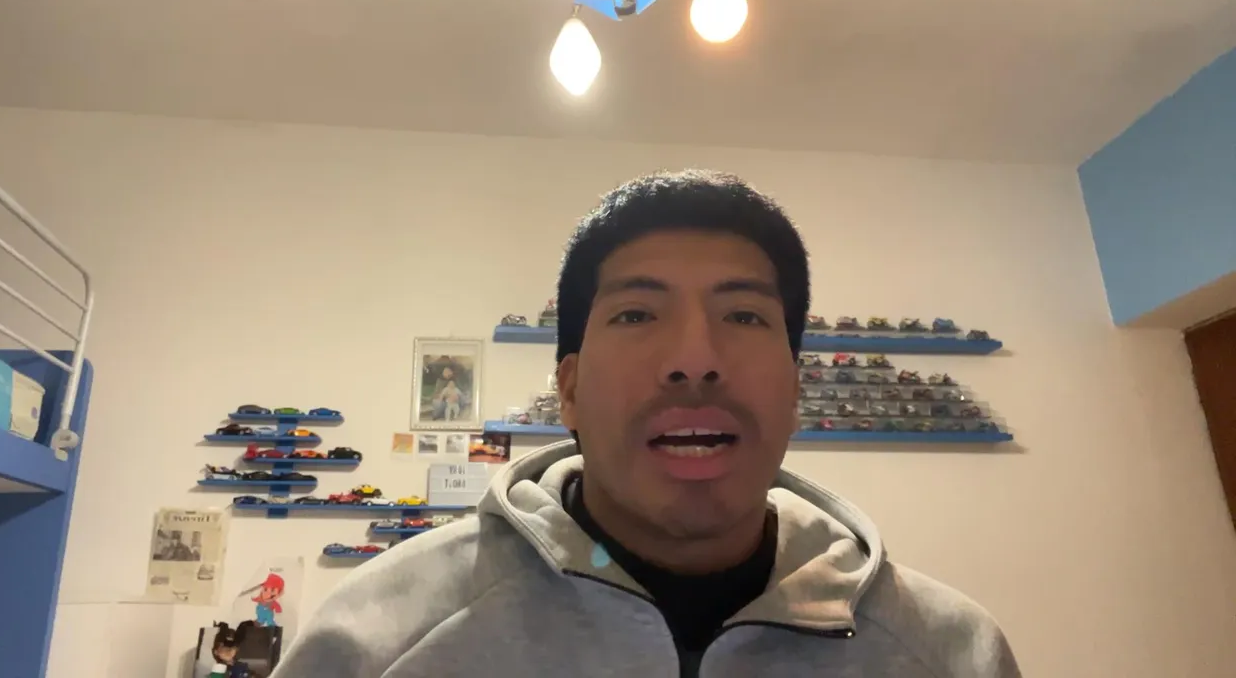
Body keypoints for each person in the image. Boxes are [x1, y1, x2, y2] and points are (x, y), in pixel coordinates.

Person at [271, 170, 1021, 677]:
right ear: (569, 390)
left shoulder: (952, 654)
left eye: (744, 315)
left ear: (795, 391)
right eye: (636, 314)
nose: (694, 360)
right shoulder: (376, 643)